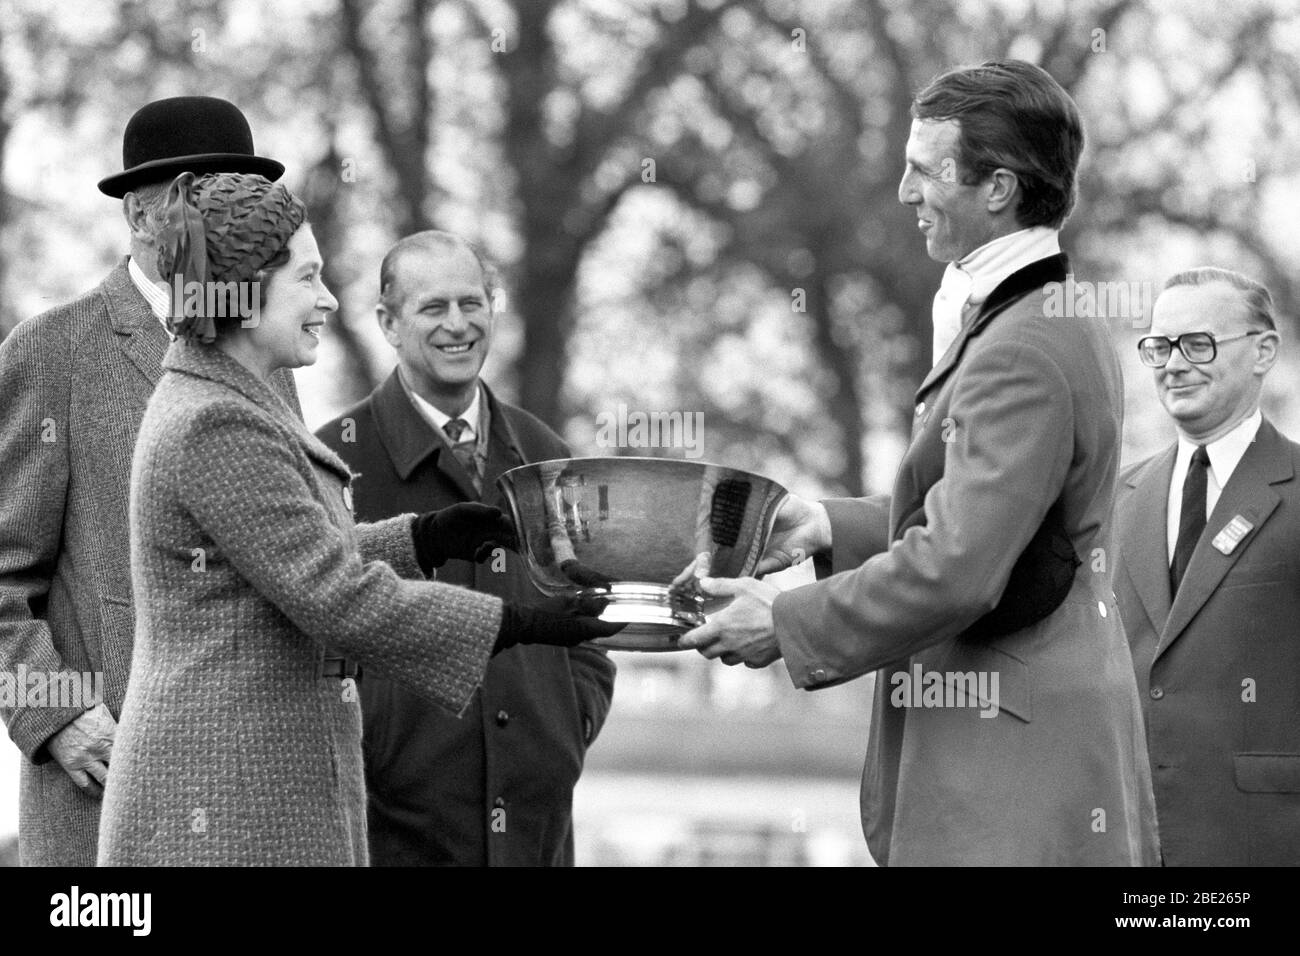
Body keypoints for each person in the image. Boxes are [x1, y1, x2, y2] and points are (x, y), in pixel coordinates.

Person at [680, 60, 1160, 866]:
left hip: (1009, 764)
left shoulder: (1025, 345)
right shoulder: (1036, 318)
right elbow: (986, 517)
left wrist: (787, 621)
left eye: (920, 169)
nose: (903, 192)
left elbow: (959, 565)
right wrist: (822, 524)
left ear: (998, 188)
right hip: (1016, 741)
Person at [96, 172, 616, 866]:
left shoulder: (230, 397)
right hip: (223, 805)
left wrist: (425, 538)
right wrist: (513, 623)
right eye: (308, 278)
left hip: (251, 794)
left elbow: (292, 556)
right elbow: (337, 597)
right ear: (246, 292)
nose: (327, 299)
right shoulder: (217, 421)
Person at [0, 97, 302, 866]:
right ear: (141, 215)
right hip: (105, 803)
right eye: (210, 200)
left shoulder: (262, 351)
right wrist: (58, 712)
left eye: (247, 200)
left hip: (257, 794)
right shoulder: (52, 351)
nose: (236, 223)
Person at [316, 231, 616, 866]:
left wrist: (569, 725)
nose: (459, 325)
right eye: (433, 308)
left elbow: (589, 620)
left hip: (536, 830)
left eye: (472, 303)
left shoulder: (549, 456)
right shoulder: (332, 460)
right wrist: (380, 748)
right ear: (388, 324)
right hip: (390, 831)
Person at [1112, 267, 1300, 866]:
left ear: (1263, 352)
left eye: (1198, 344)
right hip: (1130, 842)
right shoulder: (1118, 498)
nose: (1173, 364)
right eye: (1160, 346)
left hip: (1262, 841)